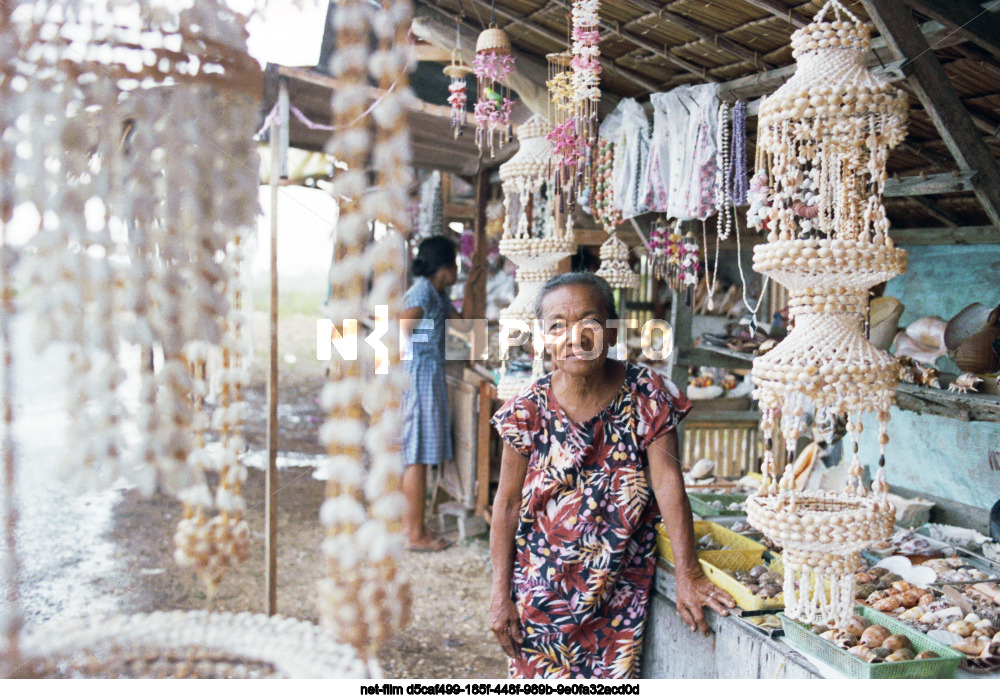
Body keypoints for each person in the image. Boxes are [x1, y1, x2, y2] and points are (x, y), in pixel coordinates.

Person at [488, 272, 735, 678]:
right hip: (541, 594)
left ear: (612, 330)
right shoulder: (525, 411)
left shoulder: (648, 395)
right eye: (557, 326)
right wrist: (500, 594)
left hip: (619, 596)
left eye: (590, 322)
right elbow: (508, 503)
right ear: (542, 338)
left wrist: (688, 574)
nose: (575, 336)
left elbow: (669, 484)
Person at [400, 235, 462, 552]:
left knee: (419, 454)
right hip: (418, 376)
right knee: (417, 456)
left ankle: (411, 526)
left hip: (428, 374)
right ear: (445, 266)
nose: (459, 270)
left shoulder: (438, 294)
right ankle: (414, 534)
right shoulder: (422, 292)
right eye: (457, 263)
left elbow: (460, 323)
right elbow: (398, 332)